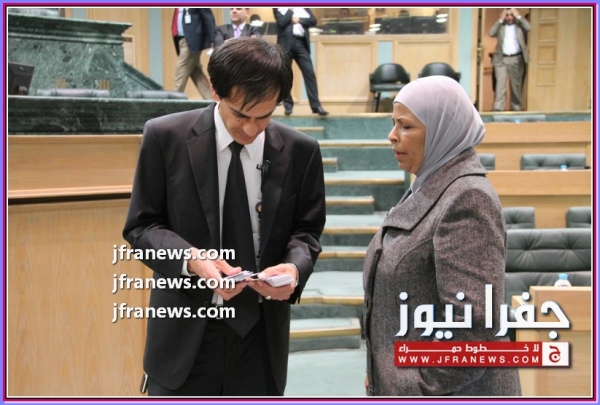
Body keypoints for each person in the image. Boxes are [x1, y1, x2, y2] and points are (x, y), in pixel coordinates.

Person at [123, 38, 326, 396]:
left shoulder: (302, 151)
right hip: (184, 339)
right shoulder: (165, 137)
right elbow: (143, 227)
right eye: (240, 115)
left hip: (260, 339)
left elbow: (306, 232)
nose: (250, 130)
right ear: (215, 90)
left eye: (264, 117)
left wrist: (294, 270)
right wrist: (192, 260)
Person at [362, 76, 521, 396]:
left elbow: (473, 325)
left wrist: (414, 386)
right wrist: (381, 374)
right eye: (394, 123)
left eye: (406, 126)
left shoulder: (467, 198)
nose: (392, 135)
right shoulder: (431, 183)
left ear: (441, 130)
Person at [273, 8, 329, 116]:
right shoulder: (278, 7)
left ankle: (316, 105)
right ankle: (288, 105)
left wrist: (299, 20)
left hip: (301, 44)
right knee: (285, 75)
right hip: (285, 44)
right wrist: (290, 10)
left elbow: (313, 20)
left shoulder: (303, 6)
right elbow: (281, 22)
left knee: (309, 73)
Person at [489, 7, 531, 111]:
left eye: (511, 15)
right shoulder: (501, 26)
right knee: (500, 86)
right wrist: (500, 19)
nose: (509, 17)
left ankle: (515, 107)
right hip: (501, 59)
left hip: (517, 59)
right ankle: (498, 108)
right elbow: (491, 32)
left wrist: (518, 16)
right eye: (507, 15)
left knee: (516, 86)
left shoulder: (519, 25)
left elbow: (528, 27)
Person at [171, 8, 215, 99]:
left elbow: (208, 16)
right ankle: (213, 100)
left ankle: (174, 102)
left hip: (192, 40)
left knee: (181, 69)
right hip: (180, 40)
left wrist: (213, 39)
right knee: (196, 72)